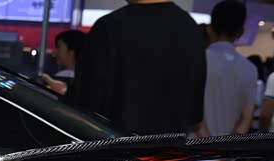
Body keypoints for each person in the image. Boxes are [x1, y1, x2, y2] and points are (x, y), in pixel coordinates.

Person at [72, 0, 206, 134]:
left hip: (116, 143)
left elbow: (86, 107)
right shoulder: (191, 29)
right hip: (172, 144)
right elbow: (194, 116)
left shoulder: (108, 27)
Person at [198, 1, 257, 139]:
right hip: (229, 150)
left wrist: (210, 147)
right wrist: (225, 148)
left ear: (209, 28)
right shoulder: (250, 69)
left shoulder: (197, 60)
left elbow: (190, 114)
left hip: (194, 148)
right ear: (241, 32)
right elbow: (246, 119)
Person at [41, 29, 87, 96]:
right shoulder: (89, 80)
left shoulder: (59, 79)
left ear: (71, 50)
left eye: (59, 47)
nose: (55, 53)